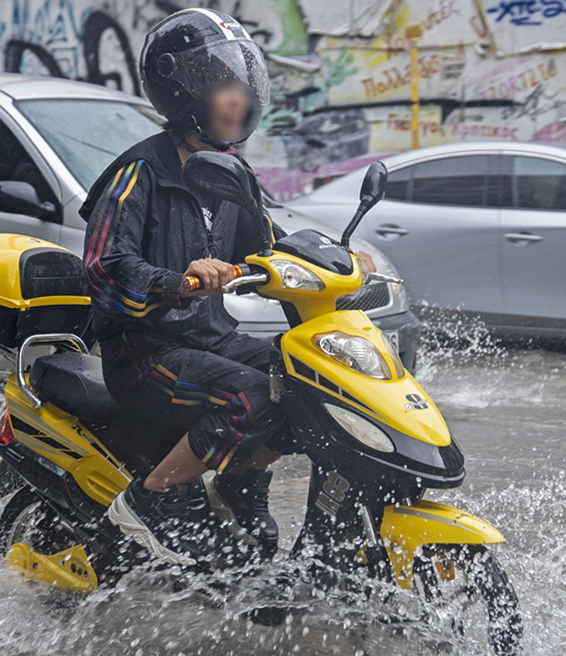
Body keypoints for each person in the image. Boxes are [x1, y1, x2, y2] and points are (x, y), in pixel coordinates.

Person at [78, 8, 376, 566]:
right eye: (223, 87)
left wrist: (336, 262)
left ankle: (236, 484)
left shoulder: (227, 171)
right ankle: (154, 499)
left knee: (310, 381)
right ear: (182, 90)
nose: (239, 100)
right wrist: (178, 282)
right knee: (252, 394)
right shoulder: (138, 172)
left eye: (243, 87)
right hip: (147, 353)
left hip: (207, 340)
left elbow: (270, 243)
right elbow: (102, 270)